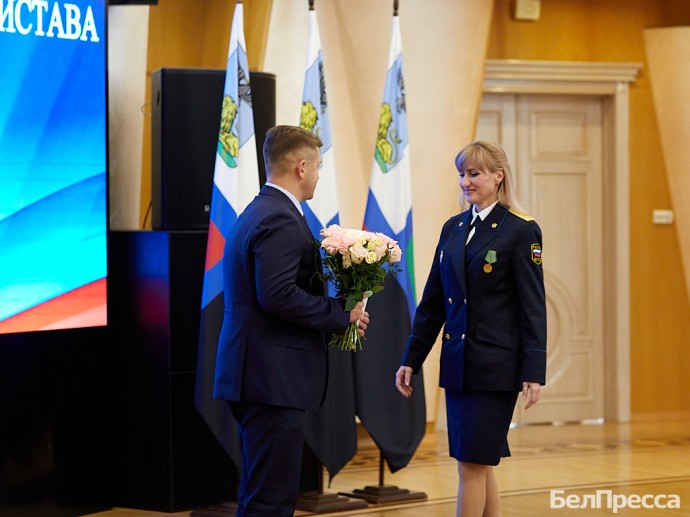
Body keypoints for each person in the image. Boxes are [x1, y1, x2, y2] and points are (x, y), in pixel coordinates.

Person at [214, 125, 369, 516]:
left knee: (261, 491)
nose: (318, 174)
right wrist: (339, 314)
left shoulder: (263, 210)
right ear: (301, 167)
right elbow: (277, 294)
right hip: (270, 379)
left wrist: (339, 313)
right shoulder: (280, 218)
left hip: (260, 374)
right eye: (317, 166)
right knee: (270, 499)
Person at [395, 140, 546, 517]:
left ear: (498, 176)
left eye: (474, 173)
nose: (465, 181)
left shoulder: (520, 231)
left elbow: (532, 307)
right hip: (460, 365)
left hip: (496, 368)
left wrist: (534, 370)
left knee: (470, 465)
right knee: (478, 462)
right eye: (462, 174)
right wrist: (410, 359)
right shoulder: (454, 228)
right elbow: (433, 304)